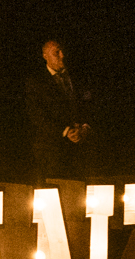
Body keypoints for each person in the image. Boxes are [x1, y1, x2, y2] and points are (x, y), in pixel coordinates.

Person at [24, 38, 93, 181]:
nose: (62, 55)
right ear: (45, 56)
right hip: (52, 151)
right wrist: (66, 131)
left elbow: (89, 104)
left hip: (81, 149)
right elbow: (36, 115)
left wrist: (85, 127)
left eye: (62, 51)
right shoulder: (36, 82)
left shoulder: (78, 77)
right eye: (56, 53)